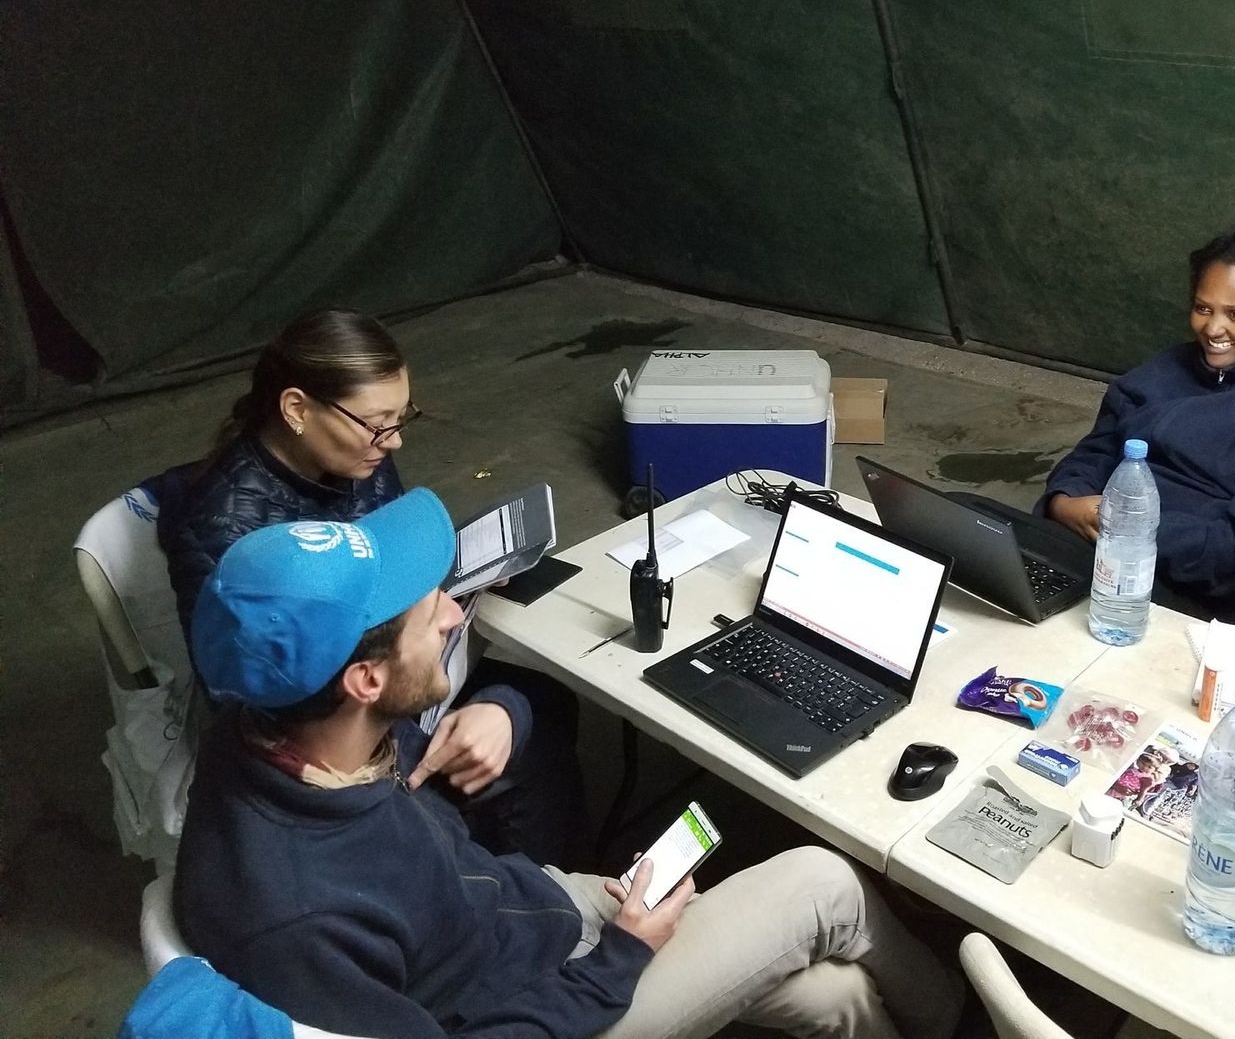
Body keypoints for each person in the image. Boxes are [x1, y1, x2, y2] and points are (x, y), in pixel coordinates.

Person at [175, 489, 962, 1039]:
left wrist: (502, 708)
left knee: (835, 997)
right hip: (540, 1010)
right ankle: (963, 1019)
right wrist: (622, 955)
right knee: (824, 885)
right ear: (365, 680)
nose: (453, 612)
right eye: (428, 613)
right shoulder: (295, 921)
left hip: (527, 918)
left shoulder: (278, 727)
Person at [156, 306, 583, 864]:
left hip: (388, 663)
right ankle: (508, 882)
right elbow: (266, 705)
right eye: (379, 422)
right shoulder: (224, 534)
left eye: (402, 418)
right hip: (344, 724)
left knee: (543, 695)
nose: (394, 441)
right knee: (529, 746)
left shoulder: (357, 454)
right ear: (296, 409)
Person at [1038, 228, 1235, 625]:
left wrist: (1129, 529)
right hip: (1099, 548)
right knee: (976, 539)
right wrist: (1064, 500)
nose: (1213, 329)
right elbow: (1097, 450)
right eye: (1203, 308)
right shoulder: (1163, 370)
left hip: (1198, 598)